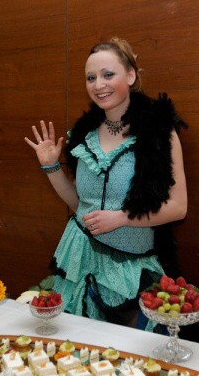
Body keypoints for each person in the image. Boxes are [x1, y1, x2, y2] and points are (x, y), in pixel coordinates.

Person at [25, 37, 187, 327]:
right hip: (80, 258)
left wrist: (121, 218)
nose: (99, 85)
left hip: (131, 267)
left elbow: (178, 208)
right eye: (91, 78)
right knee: (76, 346)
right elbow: (81, 204)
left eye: (108, 74)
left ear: (131, 75)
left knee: (128, 351)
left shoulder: (160, 132)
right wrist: (51, 166)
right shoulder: (82, 134)